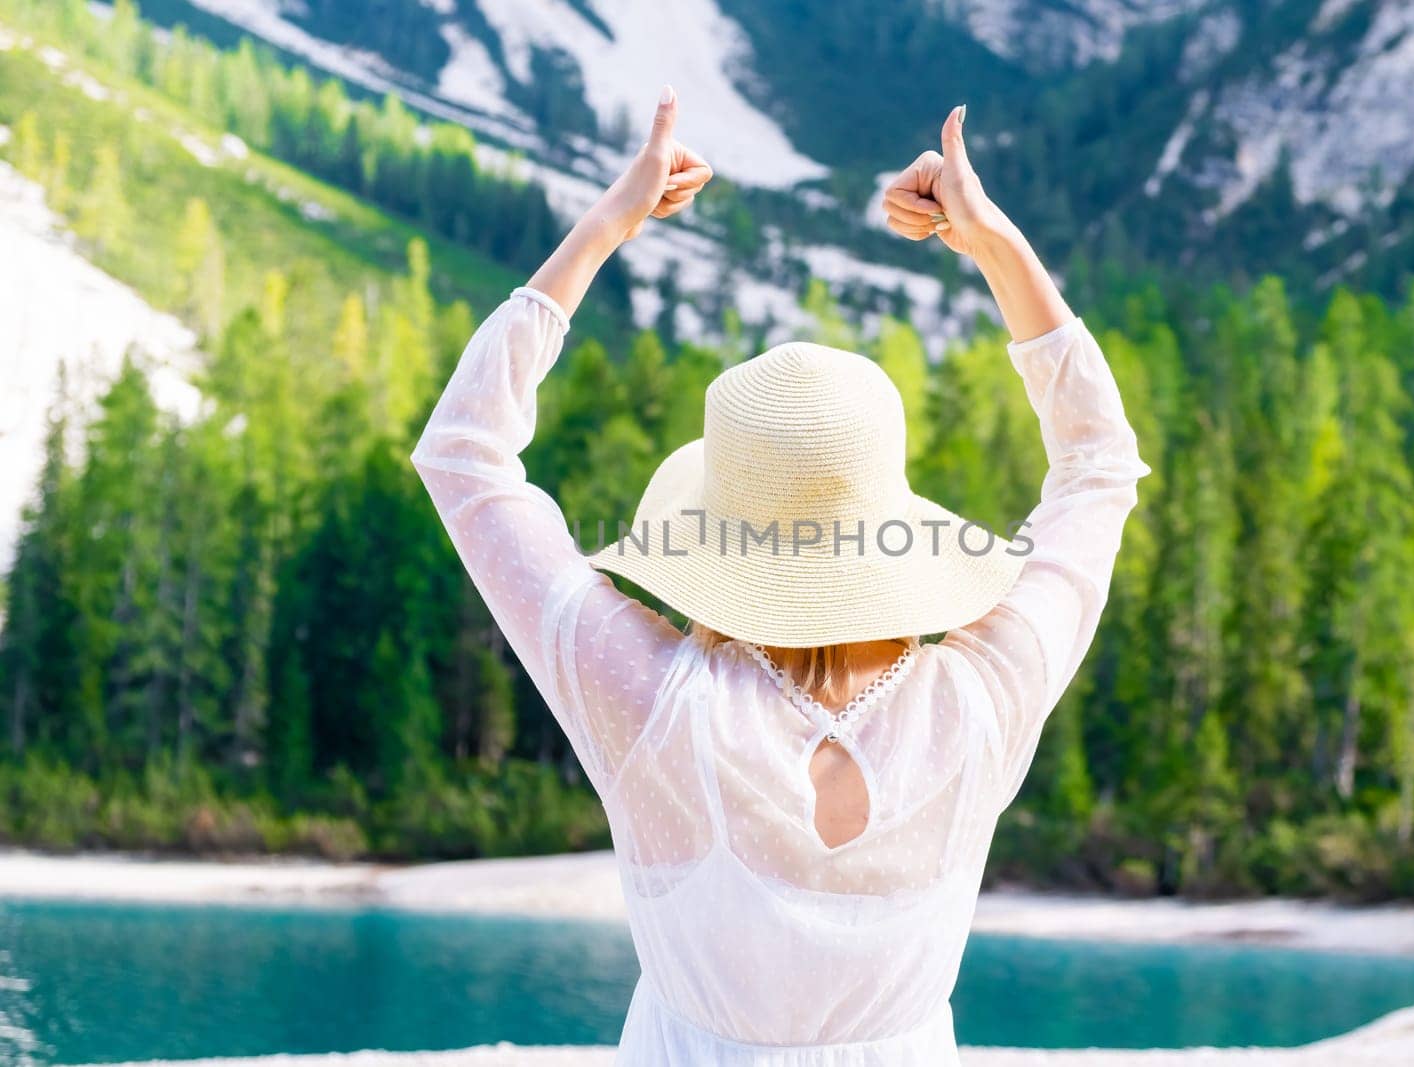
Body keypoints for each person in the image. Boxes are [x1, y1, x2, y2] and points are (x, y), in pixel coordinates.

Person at [410, 84, 1152, 1066]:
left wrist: (604, 225)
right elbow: (1098, 467)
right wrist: (995, 247)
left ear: (717, 535)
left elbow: (464, 454)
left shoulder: (653, 700)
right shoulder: (981, 696)